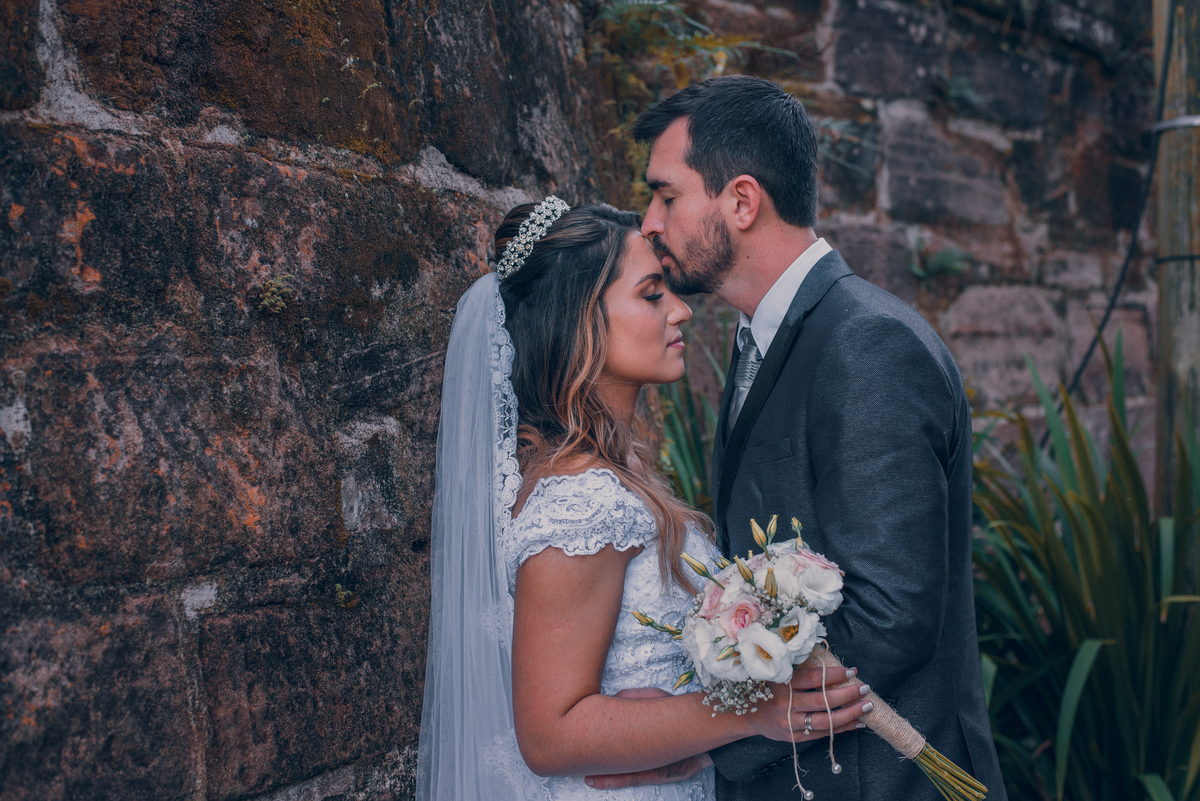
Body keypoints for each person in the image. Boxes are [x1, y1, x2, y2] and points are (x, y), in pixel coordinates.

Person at [599, 75, 1007, 800]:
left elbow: (889, 619)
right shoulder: (761, 339)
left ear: (742, 201)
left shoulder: (867, 344)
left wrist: (704, 731)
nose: (650, 223)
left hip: (883, 781)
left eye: (665, 196)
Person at [415, 199, 873, 800]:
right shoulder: (583, 501)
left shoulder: (619, 472)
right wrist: (751, 714)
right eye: (652, 294)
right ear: (579, 322)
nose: (681, 310)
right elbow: (550, 735)